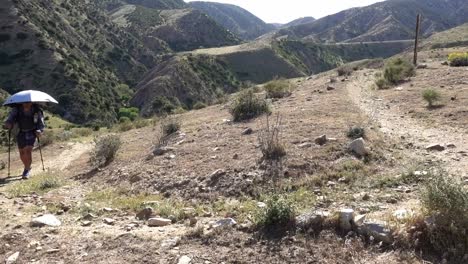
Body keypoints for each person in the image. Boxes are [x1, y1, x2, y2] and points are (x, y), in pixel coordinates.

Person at [3, 103, 45, 179]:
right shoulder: (16, 109)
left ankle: (26, 170)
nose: (26, 104)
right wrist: (8, 123)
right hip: (20, 132)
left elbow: (41, 122)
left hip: (32, 132)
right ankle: (27, 166)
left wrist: (40, 130)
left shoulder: (37, 110)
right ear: (21, 102)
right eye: (24, 102)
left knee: (28, 150)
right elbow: (10, 118)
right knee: (22, 153)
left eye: (28, 102)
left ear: (31, 102)